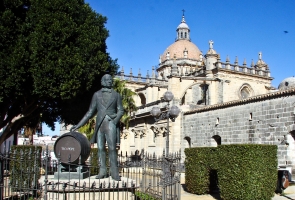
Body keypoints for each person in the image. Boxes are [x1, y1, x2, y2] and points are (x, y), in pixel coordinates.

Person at [70, 74, 124, 181]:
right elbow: (90, 112)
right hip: (100, 125)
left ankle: (114, 173)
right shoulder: (96, 95)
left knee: (112, 148)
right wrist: (78, 125)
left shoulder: (116, 95)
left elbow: (121, 110)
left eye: (110, 80)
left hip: (110, 123)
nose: (109, 81)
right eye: (107, 80)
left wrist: (115, 121)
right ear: (103, 81)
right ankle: (102, 171)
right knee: (100, 149)